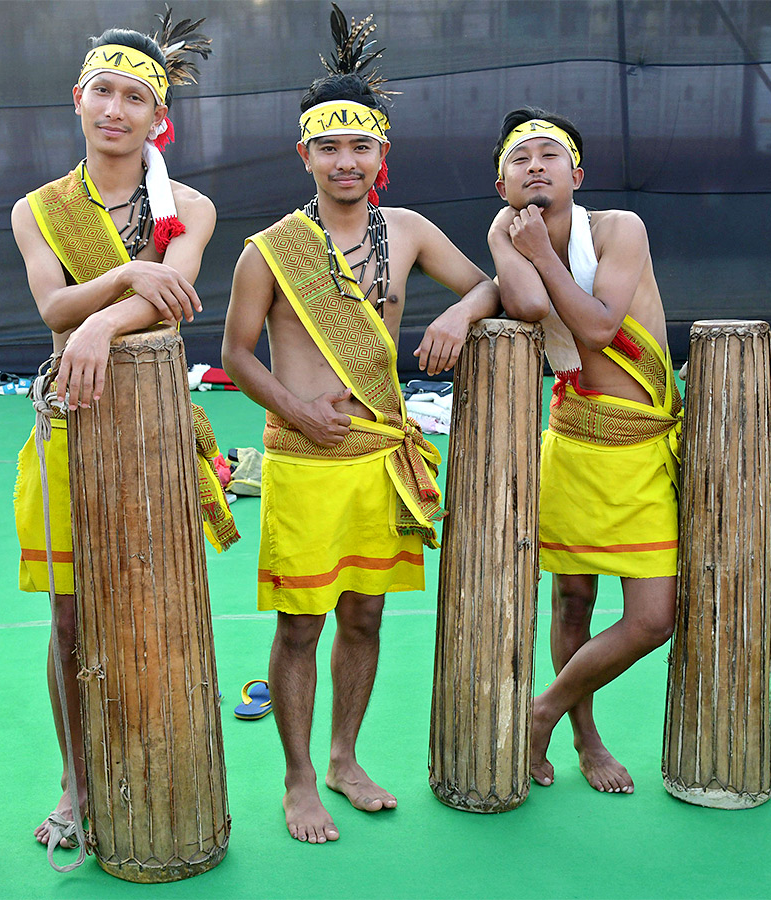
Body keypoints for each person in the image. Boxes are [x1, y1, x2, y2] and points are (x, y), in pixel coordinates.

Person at [221, 5, 497, 844]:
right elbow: (235, 354)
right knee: (300, 624)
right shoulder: (269, 249)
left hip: (379, 457)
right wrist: (296, 408)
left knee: (367, 617)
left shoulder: (407, 232)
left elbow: (489, 286)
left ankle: (345, 758)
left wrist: (458, 315)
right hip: (305, 461)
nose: (346, 161)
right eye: (329, 147)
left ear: (383, 155)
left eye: (361, 146)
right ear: (303, 155)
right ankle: (298, 778)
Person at [10, 12, 237, 852]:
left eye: (134, 97)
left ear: (158, 118)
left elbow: (175, 299)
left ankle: (164, 767)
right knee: (70, 621)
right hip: (68, 432)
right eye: (102, 91)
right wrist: (128, 276)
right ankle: (75, 782)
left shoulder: (193, 208)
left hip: (154, 434)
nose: (115, 109)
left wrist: (103, 321)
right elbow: (52, 307)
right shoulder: (37, 209)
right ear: (78, 98)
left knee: (157, 607)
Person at [488, 107, 680, 794]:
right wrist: (511, 244)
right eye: (519, 159)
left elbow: (598, 329)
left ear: (577, 174)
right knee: (573, 601)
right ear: (503, 183)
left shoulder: (620, 228)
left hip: (641, 446)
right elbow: (528, 309)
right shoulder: (506, 230)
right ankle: (585, 736)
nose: (535, 166)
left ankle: (542, 710)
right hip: (572, 443)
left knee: (653, 618)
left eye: (549, 155)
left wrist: (540, 253)